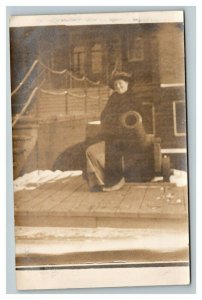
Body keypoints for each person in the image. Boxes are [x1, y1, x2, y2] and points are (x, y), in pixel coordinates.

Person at [86, 71, 144, 192]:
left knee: (113, 147)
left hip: (130, 135)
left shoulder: (134, 98)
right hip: (112, 132)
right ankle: (97, 181)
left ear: (127, 83)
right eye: (116, 84)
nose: (118, 86)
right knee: (90, 147)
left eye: (120, 83)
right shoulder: (113, 98)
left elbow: (139, 116)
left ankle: (116, 181)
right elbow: (104, 114)